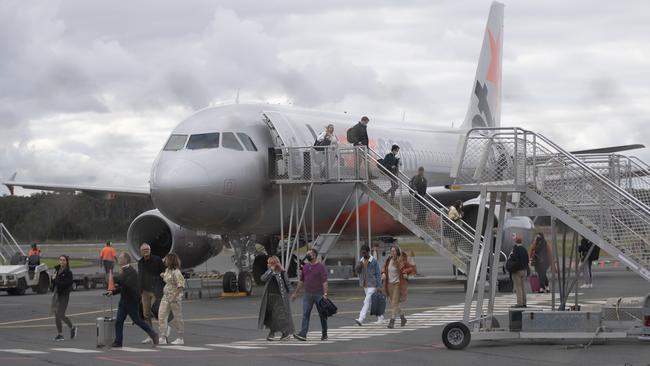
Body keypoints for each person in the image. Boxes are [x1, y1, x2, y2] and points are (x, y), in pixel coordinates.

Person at [106, 252, 159, 348]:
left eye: (120, 258)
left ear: (125, 260)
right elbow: (123, 287)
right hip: (124, 301)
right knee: (119, 321)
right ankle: (118, 342)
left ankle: (153, 334)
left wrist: (114, 279)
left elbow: (127, 284)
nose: (118, 259)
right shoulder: (123, 271)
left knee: (137, 320)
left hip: (131, 301)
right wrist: (113, 292)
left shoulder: (131, 271)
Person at [290, 248, 328, 341]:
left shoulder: (321, 267)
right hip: (308, 294)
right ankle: (303, 334)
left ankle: (324, 333)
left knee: (322, 315)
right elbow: (301, 281)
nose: (307, 256)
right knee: (305, 314)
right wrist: (295, 293)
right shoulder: (306, 267)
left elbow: (324, 281)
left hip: (319, 294)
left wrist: (325, 294)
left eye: (309, 254)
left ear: (314, 255)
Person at [258, 256, 294, 341]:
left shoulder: (282, 273)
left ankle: (285, 333)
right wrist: (270, 270)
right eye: (268, 263)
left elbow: (288, 284)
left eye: (270, 263)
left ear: (274, 263)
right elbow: (262, 278)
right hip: (269, 297)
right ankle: (272, 332)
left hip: (279, 297)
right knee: (270, 316)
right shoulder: (269, 273)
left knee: (280, 316)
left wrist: (292, 294)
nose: (268, 264)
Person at [381, 246, 416, 329]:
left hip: (398, 284)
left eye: (394, 251)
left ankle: (392, 321)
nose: (392, 252)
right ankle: (403, 318)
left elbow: (411, 268)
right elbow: (384, 267)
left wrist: (404, 272)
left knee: (394, 303)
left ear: (397, 252)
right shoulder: (388, 260)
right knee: (395, 304)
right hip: (389, 284)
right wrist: (383, 273)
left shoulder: (401, 261)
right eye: (391, 251)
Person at [137, 243, 165, 344]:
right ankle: (150, 335)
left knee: (156, 311)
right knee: (146, 314)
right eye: (144, 249)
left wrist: (161, 287)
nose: (145, 251)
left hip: (155, 290)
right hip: (144, 291)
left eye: (147, 249)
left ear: (150, 250)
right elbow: (140, 277)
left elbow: (163, 273)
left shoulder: (157, 260)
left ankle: (163, 333)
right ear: (141, 251)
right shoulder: (140, 262)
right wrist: (139, 291)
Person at [158, 253, 185, 345]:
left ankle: (180, 337)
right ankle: (163, 336)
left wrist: (175, 296)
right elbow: (167, 278)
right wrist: (163, 275)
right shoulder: (167, 270)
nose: (165, 261)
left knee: (177, 317)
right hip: (166, 296)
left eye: (166, 260)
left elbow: (180, 286)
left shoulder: (176, 272)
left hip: (174, 298)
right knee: (161, 315)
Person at [354, 245, 384, 326]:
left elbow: (378, 274)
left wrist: (379, 286)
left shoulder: (373, 261)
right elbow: (356, 271)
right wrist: (359, 265)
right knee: (373, 302)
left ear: (368, 252)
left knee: (366, 301)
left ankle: (361, 318)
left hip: (372, 285)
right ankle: (380, 317)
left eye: (364, 253)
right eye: (362, 253)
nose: (363, 254)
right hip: (365, 285)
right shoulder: (361, 260)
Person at [51, 255, 77, 341]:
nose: (61, 262)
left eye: (63, 260)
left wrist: (55, 280)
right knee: (58, 315)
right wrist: (53, 281)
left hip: (64, 295)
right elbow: (54, 283)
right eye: (60, 260)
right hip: (56, 295)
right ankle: (68, 329)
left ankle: (62, 333)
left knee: (60, 314)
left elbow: (65, 284)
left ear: (66, 262)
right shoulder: (56, 271)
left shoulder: (69, 273)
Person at [507, 236, 529, 307]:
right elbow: (527, 260)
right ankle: (524, 302)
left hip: (517, 271)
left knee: (518, 287)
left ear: (516, 242)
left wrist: (511, 268)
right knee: (523, 287)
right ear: (521, 242)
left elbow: (513, 259)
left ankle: (519, 303)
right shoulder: (524, 249)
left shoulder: (515, 250)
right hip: (524, 270)